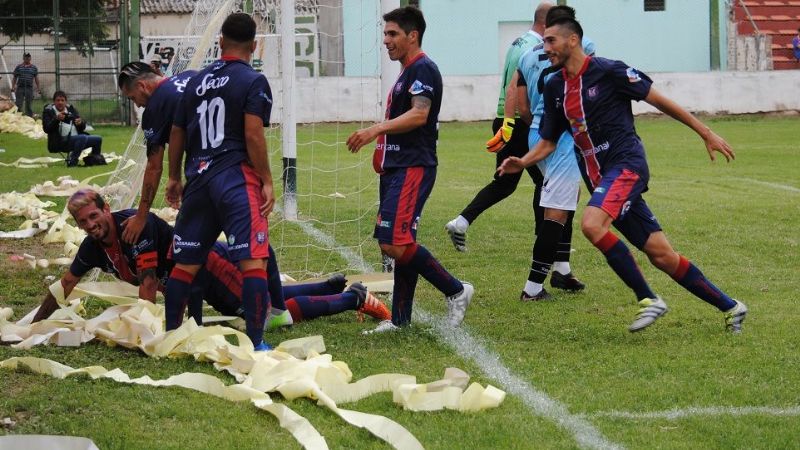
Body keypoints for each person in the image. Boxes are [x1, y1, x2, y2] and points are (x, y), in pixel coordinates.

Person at [499, 6, 748, 333]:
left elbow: (659, 101)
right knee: (662, 255)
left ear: (573, 40)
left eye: (551, 40)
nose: (545, 47)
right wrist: (523, 161)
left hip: (626, 165)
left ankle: (648, 299)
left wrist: (706, 132)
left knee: (591, 224)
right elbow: (547, 142)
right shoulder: (555, 86)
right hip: (603, 180)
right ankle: (732, 306)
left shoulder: (609, 71)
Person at [31, 189, 391, 326]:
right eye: (83, 222)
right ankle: (328, 285)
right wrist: (33, 323)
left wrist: (152, 331)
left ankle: (350, 299)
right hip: (199, 280)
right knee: (256, 302)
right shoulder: (92, 248)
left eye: (95, 216)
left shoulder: (134, 226)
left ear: (105, 208)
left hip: (210, 268)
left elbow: (148, 286)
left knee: (262, 318)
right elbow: (65, 285)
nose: (91, 225)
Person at [346, 6, 473, 333]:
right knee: (399, 242)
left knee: (394, 243)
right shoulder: (407, 72)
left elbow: (419, 115)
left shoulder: (423, 70)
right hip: (396, 168)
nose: (385, 41)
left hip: (413, 167)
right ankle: (400, 319)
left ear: (412, 35)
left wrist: (376, 130)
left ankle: (456, 290)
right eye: (384, 34)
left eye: (392, 34)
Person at [444, 2, 585, 294]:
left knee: (540, 189)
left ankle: (560, 267)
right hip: (524, 124)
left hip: (516, 122)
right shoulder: (540, 49)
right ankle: (541, 271)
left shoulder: (519, 43)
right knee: (540, 193)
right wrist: (512, 124)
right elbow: (515, 89)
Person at [165, 13, 275, 350]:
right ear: (254, 46)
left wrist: (173, 177)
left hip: (197, 178)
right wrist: (267, 180)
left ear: (220, 41)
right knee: (252, 260)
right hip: (235, 178)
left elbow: (177, 131)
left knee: (185, 264)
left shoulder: (195, 82)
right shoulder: (253, 81)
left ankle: (171, 336)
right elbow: (253, 133)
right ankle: (256, 343)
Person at [515, 7, 595, 300]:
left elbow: (521, 104)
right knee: (557, 210)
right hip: (560, 136)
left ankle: (561, 269)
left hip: (538, 130)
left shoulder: (525, 56)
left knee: (565, 200)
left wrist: (537, 124)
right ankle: (533, 287)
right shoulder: (583, 47)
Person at [42, 91, 106, 167]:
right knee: (82, 137)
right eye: (58, 100)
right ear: (54, 101)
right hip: (60, 142)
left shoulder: (71, 109)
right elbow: (46, 129)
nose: (60, 102)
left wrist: (80, 123)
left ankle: (94, 160)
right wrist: (56, 119)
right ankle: (73, 163)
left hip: (78, 139)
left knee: (98, 139)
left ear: (66, 101)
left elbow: (82, 125)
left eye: (62, 100)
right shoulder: (48, 111)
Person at [11, 52, 41, 117]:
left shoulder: (34, 67)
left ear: (30, 58)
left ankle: (29, 116)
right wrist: (13, 87)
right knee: (18, 103)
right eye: (26, 57)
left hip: (29, 88)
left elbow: (36, 78)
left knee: (28, 103)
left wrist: (38, 88)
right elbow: (15, 77)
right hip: (20, 87)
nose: (27, 58)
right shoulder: (19, 67)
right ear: (23, 58)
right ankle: (17, 115)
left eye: (28, 57)